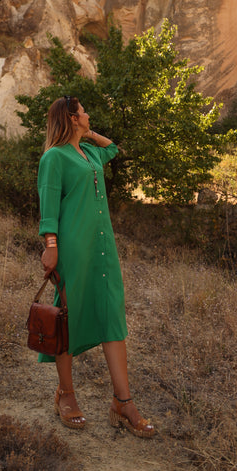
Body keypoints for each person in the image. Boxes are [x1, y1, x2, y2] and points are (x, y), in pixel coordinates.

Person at [36, 95, 155, 437]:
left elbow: (113, 148)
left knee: (112, 316)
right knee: (68, 319)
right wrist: (51, 246)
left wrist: (86, 135)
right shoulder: (54, 157)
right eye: (83, 112)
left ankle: (123, 402)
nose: (89, 115)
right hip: (73, 249)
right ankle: (67, 394)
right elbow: (48, 204)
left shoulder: (88, 154)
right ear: (72, 118)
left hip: (103, 249)